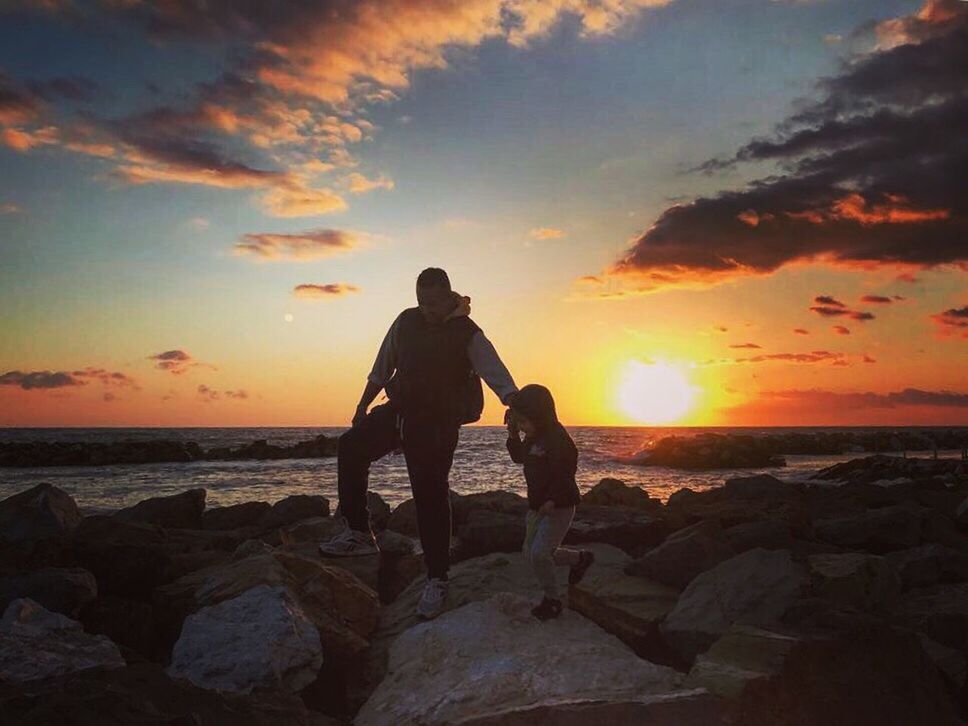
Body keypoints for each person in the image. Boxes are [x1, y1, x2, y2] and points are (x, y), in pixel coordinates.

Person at [319, 268, 518, 620]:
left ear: (448, 296)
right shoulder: (406, 322)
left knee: (430, 495)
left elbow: (495, 372)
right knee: (350, 447)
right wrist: (363, 404)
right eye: (420, 301)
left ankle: (437, 578)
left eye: (431, 302)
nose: (425, 309)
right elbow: (382, 366)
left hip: (437, 424)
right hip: (399, 412)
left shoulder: (467, 333)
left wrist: (516, 406)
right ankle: (358, 532)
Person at [506, 384, 594, 620]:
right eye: (519, 422)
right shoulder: (532, 436)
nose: (523, 427)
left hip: (559, 507)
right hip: (537, 507)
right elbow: (518, 458)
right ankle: (580, 559)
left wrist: (554, 499)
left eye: (524, 422)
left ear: (540, 416)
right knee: (535, 552)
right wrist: (513, 435)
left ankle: (552, 599)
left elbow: (564, 471)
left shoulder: (557, 439)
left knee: (539, 554)